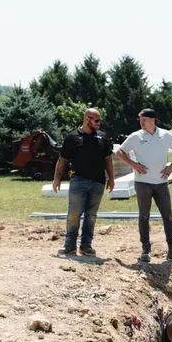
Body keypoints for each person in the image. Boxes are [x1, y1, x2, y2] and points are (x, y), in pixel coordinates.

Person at [116, 109, 172, 263]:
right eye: (140, 119)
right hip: (142, 183)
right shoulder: (135, 136)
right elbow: (120, 152)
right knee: (143, 216)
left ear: (152, 120)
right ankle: (145, 249)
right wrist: (134, 164)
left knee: (167, 216)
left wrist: (171, 167)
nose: (141, 122)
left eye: (143, 119)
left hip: (161, 183)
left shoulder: (165, 135)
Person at [52, 107, 114, 256]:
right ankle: (69, 245)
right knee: (74, 213)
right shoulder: (72, 137)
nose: (99, 123)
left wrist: (112, 178)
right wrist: (57, 179)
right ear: (87, 119)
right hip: (78, 181)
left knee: (91, 216)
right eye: (96, 120)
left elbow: (108, 159)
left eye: (99, 120)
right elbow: (62, 159)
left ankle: (86, 246)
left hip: (98, 182)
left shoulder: (103, 137)